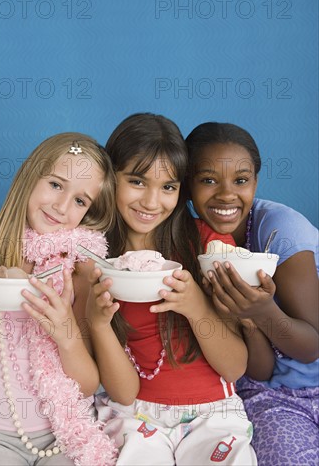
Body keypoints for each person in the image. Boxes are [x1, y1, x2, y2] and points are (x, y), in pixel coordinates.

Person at [86, 113, 257, 465]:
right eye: (136, 181)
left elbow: (235, 367)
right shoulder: (95, 257)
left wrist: (196, 306)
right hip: (135, 413)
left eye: (168, 186)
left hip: (214, 411)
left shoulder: (207, 245)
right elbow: (122, 391)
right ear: (109, 177)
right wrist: (98, 323)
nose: (151, 202)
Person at [0, 132, 118, 466]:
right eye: (56, 185)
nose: (61, 206)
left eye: (80, 201)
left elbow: (87, 384)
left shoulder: (77, 272)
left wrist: (65, 335)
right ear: (29, 177)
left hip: (64, 437)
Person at [185, 121, 319, 466]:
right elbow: (258, 370)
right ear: (186, 184)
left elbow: (311, 346)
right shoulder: (192, 242)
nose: (227, 195)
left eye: (241, 181)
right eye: (208, 180)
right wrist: (247, 319)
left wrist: (263, 312)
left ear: (255, 183)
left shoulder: (280, 231)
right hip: (269, 392)